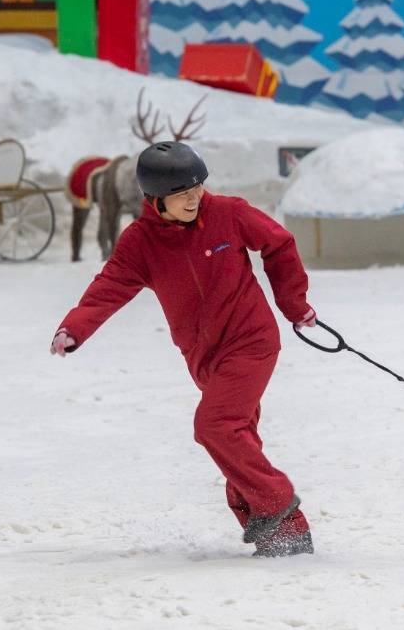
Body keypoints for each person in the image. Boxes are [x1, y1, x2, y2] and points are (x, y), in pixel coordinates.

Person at [51, 141, 317, 557]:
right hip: (202, 355)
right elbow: (109, 288)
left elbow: (278, 244)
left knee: (215, 426)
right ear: (155, 198)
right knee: (237, 434)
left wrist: (295, 306)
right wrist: (75, 328)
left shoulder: (228, 213)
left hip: (251, 341)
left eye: (198, 186)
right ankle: (275, 534)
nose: (195, 196)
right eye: (182, 192)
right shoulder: (140, 243)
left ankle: (280, 513)